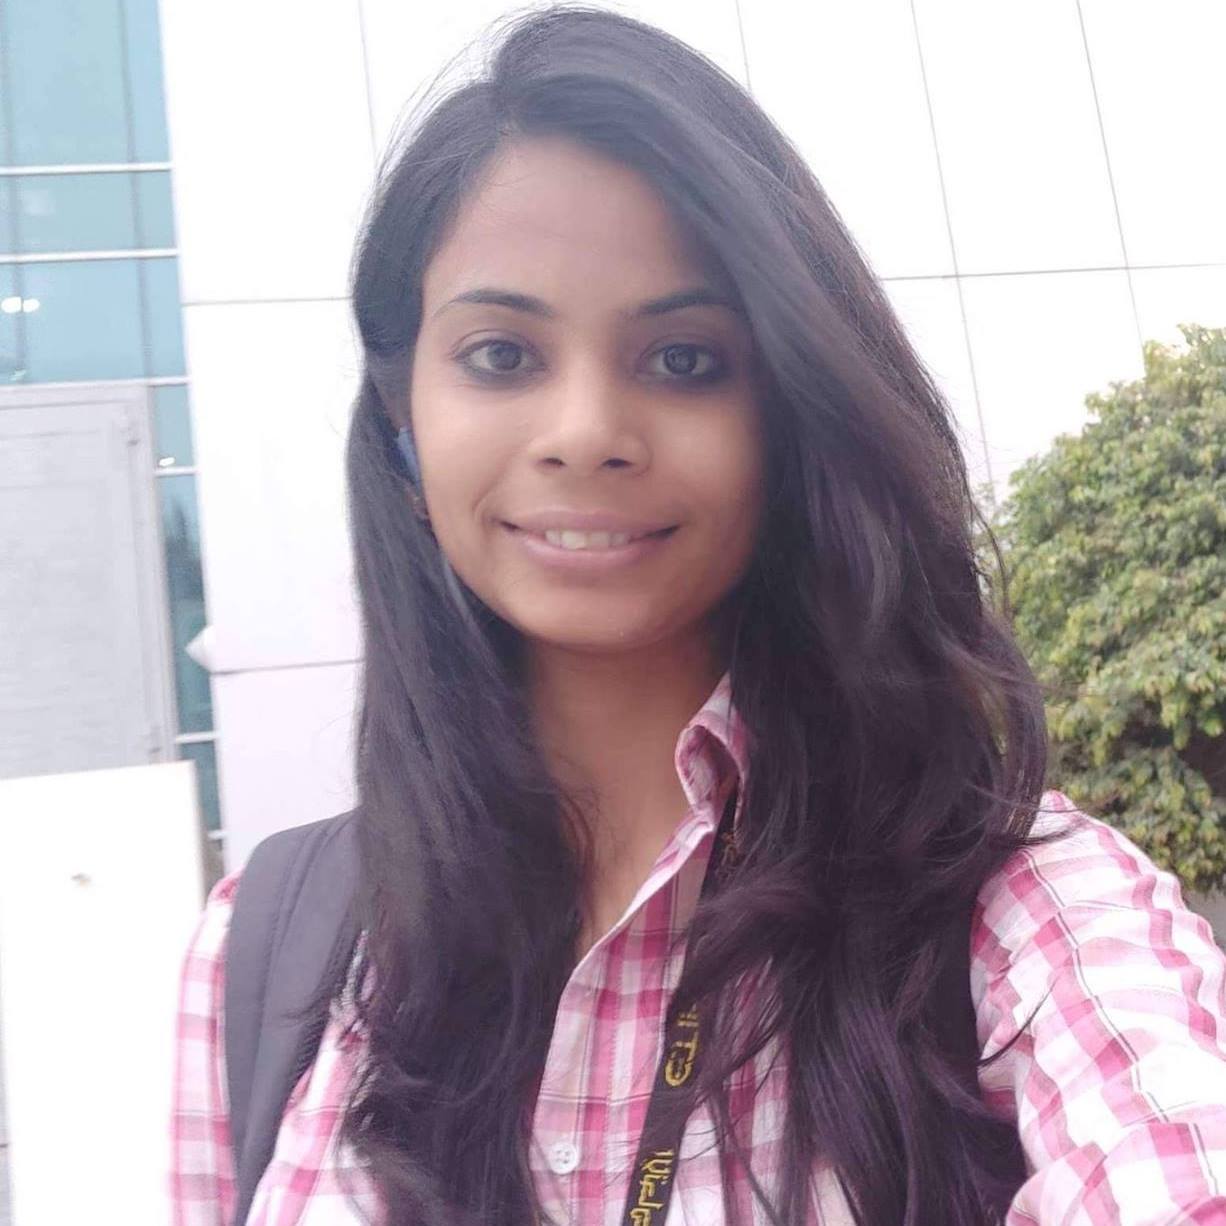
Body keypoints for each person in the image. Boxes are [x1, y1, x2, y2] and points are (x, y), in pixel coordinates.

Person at [169, 6, 1226, 1224]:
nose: (584, 434)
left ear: (789, 423)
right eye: (501, 355)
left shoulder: (1015, 907)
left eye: (682, 360)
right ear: (403, 424)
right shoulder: (271, 951)